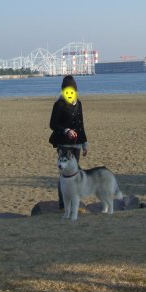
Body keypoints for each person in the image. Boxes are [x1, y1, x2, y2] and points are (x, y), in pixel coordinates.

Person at [49, 75, 88, 208]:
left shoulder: (79, 103)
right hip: (63, 145)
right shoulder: (59, 104)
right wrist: (66, 130)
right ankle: (63, 205)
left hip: (77, 145)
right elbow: (52, 124)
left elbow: (81, 125)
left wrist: (85, 143)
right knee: (65, 175)